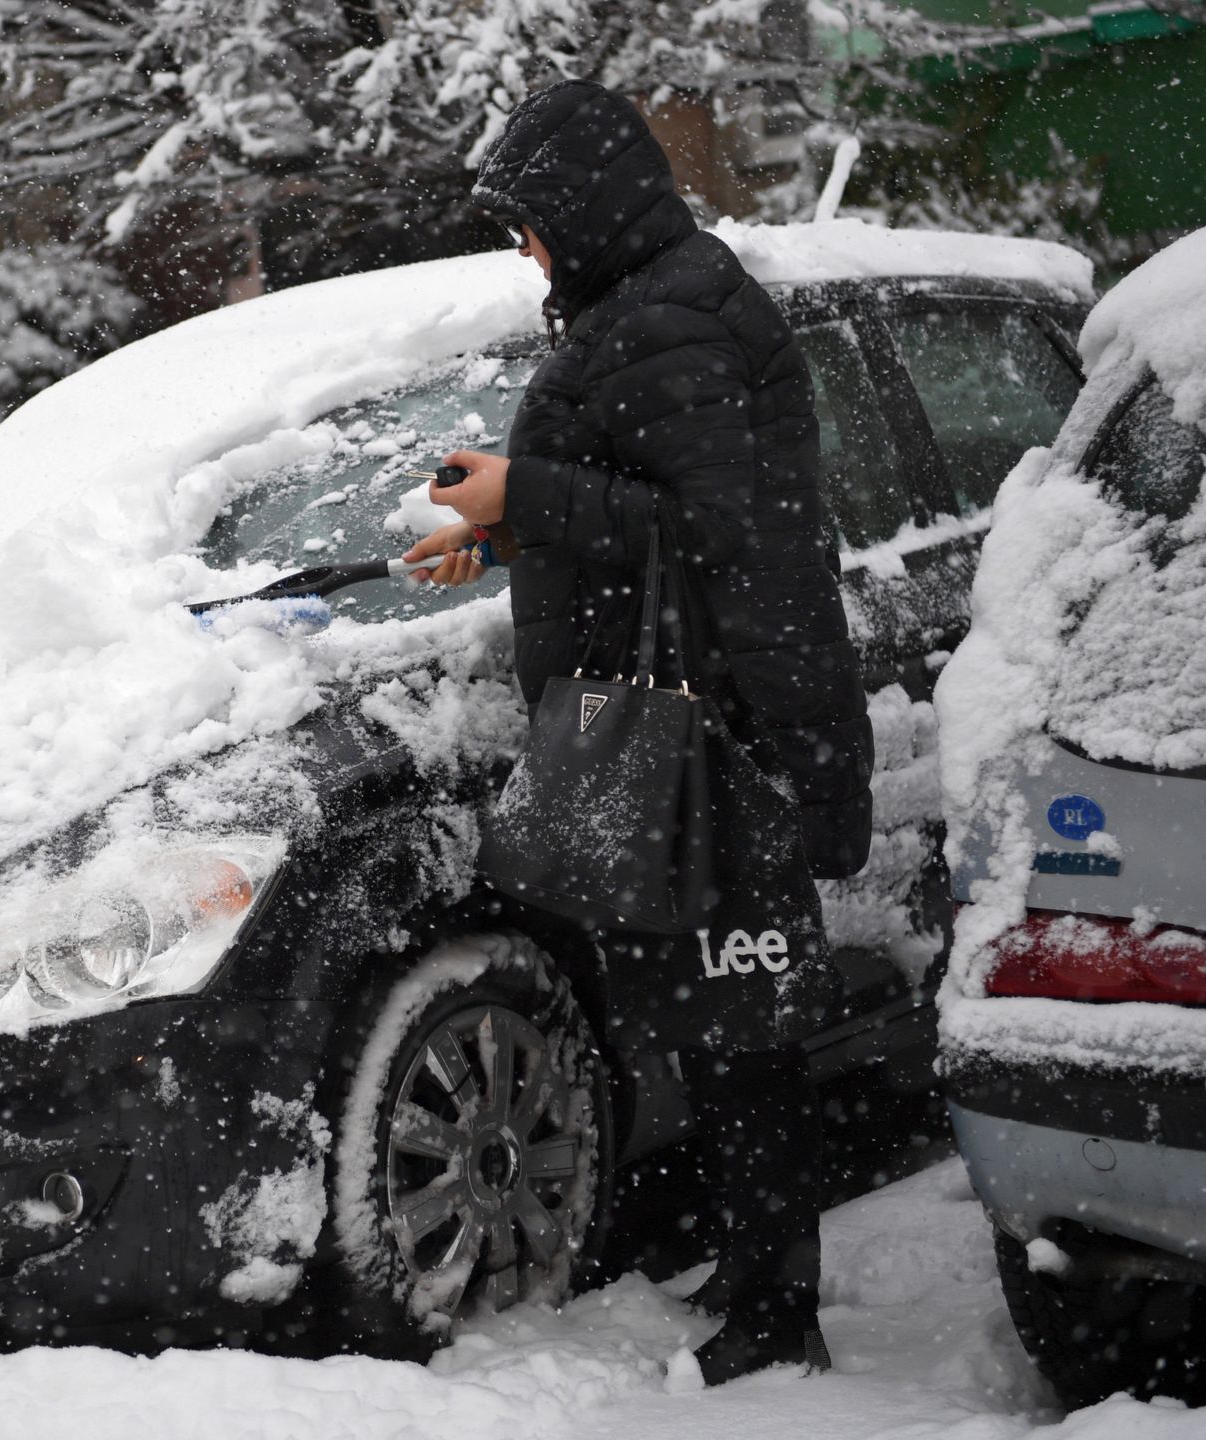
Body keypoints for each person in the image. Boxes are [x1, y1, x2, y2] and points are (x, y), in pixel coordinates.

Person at [402, 79, 873, 1382]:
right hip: (695, 734)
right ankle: (753, 1264)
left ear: (588, 211)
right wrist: (498, 526)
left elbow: (724, 538)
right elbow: (654, 500)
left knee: (748, 1032)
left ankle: (783, 1314)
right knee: (720, 1024)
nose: (526, 254)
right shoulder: (648, 306)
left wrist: (530, 492)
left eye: (532, 226)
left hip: (723, 740)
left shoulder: (672, 316)